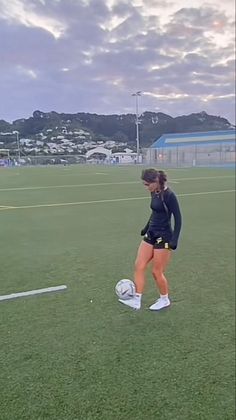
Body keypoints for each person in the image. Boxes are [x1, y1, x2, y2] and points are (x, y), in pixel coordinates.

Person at [119, 168, 182, 310]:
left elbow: (178, 219)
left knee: (156, 271)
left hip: (164, 236)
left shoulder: (169, 195)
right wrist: (146, 227)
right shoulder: (154, 192)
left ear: (156, 182)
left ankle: (164, 299)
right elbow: (154, 212)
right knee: (139, 265)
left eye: (147, 184)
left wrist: (175, 240)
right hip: (152, 232)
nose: (146, 187)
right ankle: (136, 300)